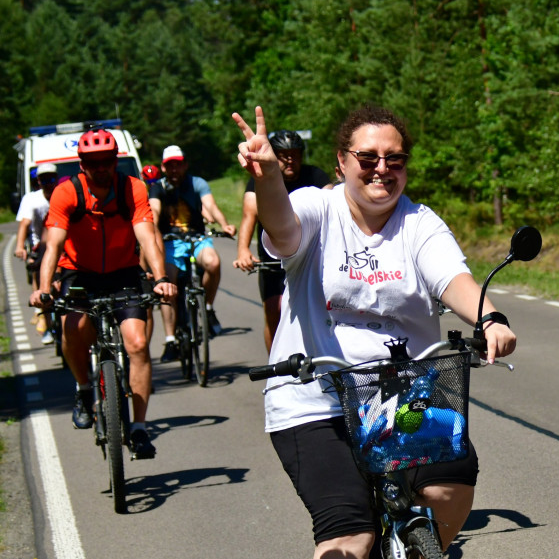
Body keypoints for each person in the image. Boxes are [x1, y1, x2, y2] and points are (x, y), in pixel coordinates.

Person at [232, 104, 516, 559]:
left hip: (398, 393)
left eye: (395, 159)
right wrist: (268, 175)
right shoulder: (316, 208)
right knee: (350, 526)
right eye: (367, 158)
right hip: (313, 397)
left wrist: (488, 316)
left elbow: (452, 278)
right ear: (342, 162)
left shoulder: (418, 221)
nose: (381, 168)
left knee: (450, 479)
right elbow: (282, 229)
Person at [29, 129, 176, 457]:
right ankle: (83, 388)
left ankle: (139, 428)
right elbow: (52, 245)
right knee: (74, 329)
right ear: (82, 164)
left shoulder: (132, 188)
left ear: (115, 161)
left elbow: (147, 235)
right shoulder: (67, 193)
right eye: (93, 162)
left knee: (137, 343)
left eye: (107, 161)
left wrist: (161, 277)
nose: (101, 168)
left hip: (123, 273)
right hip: (79, 274)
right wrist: (42, 288)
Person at [233, 129, 332, 351]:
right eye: (284, 155)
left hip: (309, 257)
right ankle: (274, 366)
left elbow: (333, 207)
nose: (290, 160)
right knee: (274, 311)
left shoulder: (315, 176)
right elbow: (249, 215)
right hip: (273, 259)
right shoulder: (261, 180)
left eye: (295, 154)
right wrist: (243, 251)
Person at [148, 145, 236, 362]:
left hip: (197, 238)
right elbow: (155, 209)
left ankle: (207, 307)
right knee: (168, 285)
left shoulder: (197, 183)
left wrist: (224, 224)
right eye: (170, 166)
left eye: (178, 164)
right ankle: (170, 340)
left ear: (185, 164)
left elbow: (211, 205)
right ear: (164, 167)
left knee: (213, 263)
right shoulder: (158, 188)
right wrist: (151, 227)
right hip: (170, 243)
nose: (175, 169)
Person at [15, 163, 59, 345]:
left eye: (52, 179)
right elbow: (24, 224)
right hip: (39, 247)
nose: (48, 183)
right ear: (38, 181)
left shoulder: (63, 195)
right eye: (44, 179)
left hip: (62, 245)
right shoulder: (32, 199)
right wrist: (20, 246)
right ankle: (47, 324)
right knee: (43, 285)